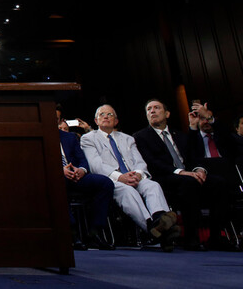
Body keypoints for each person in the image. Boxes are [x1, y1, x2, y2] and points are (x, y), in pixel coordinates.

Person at [133, 98, 234, 251]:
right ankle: (191, 238)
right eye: (149, 109)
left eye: (156, 108)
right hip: (163, 178)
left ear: (167, 114)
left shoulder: (179, 135)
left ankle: (216, 237)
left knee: (219, 183)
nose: (152, 111)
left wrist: (199, 170)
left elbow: (194, 157)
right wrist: (181, 172)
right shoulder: (140, 136)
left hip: (188, 176)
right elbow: (151, 162)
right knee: (189, 183)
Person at [80, 105, 179, 251]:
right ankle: (153, 228)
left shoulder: (128, 139)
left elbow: (140, 162)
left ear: (116, 121)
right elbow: (96, 166)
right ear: (96, 120)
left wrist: (138, 174)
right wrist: (121, 177)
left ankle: (159, 218)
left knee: (153, 186)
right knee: (128, 191)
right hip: (113, 180)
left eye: (110, 114)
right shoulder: (88, 139)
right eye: (102, 114)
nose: (106, 116)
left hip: (134, 177)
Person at [59, 126, 115, 250]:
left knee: (105, 183)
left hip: (76, 175)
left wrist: (82, 170)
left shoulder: (69, 137)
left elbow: (82, 160)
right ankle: (72, 233)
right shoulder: (38, 136)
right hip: (56, 177)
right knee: (57, 184)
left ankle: (95, 232)